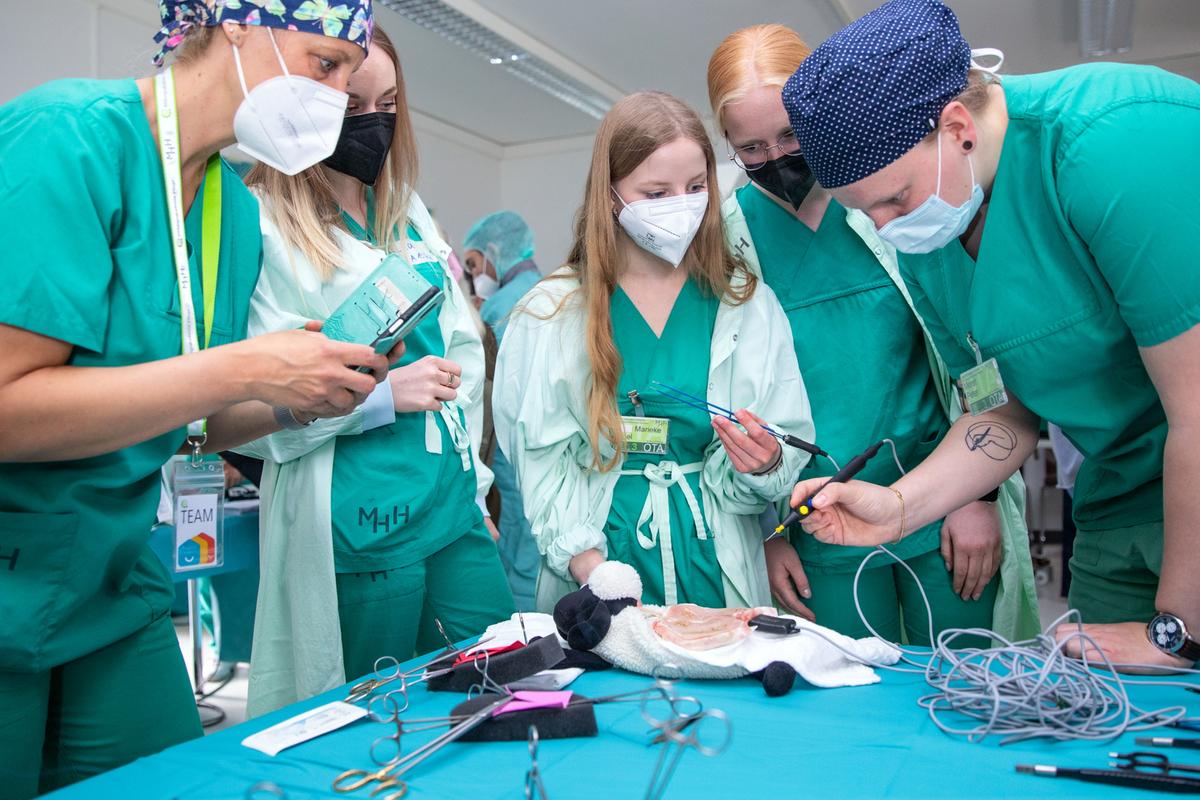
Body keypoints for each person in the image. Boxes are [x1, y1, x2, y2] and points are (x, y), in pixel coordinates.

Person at [0, 0, 387, 794]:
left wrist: (299, 397)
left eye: (353, 72)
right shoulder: (68, 139)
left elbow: (189, 423)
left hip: (110, 577)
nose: (342, 95)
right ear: (235, 20)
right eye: (325, 62)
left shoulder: (230, 209)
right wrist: (243, 368)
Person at [782, 0, 1200, 667]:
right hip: (1119, 502)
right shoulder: (933, 240)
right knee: (1098, 725)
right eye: (868, 214)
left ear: (956, 127)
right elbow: (1004, 408)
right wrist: (897, 507)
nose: (889, 229)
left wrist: (1178, 633)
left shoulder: (1114, 139)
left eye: (895, 199)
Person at [707, 25, 1037, 645]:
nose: (775, 158)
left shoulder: (893, 196)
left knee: (967, 685)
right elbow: (727, 409)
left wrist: (979, 497)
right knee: (853, 700)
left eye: (790, 135)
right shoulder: (727, 242)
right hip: (817, 522)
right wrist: (767, 534)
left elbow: (973, 354)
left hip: (944, 499)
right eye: (749, 147)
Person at [237, 24, 515, 716]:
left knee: (500, 697)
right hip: (357, 521)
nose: (374, 124)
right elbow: (248, 411)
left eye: (388, 105)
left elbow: (460, 348)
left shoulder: (407, 212)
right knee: (373, 723)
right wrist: (380, 397)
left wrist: (475, 491)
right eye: (353, 107)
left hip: (449, 506)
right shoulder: (264, 223)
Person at [494, 91, 814, 613]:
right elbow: (541, 461)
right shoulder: (553, 311)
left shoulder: (742, 302)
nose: (680, 205)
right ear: (611, 193)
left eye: (694, 187)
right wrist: (589, 565)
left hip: (715, 554)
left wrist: (765, 464)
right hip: (602, 558)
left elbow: (778, 437)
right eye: (656, 191)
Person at [462, 210, 541, 609]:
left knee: (517, 539)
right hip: (546, 443)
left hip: (515, 445)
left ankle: (523, 631)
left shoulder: (497, 309)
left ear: (494, 250)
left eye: (474, 264)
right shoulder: (546, 289)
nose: (474, 275)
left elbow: (493, 389)